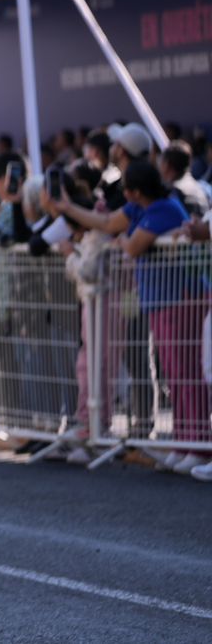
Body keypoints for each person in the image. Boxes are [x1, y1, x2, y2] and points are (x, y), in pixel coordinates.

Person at [117, 161, 210, 476]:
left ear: (136, 190)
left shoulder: (165, 208)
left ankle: (198, 444)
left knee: (187, 373)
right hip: (161, 300)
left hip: (179, 298)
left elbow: (131, 246)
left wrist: (124, 242)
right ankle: (183, 442)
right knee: (174, 374)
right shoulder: (152, 208)